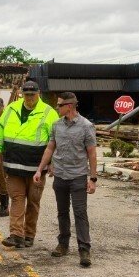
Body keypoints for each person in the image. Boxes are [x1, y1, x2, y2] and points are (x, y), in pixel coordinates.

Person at [34, 92, 98, 267]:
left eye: (60, 105)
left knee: (80, 213)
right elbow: (50, 148)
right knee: (62, 212)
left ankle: (84, 249)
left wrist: (92, 178)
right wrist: (40, 169)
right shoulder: (56, 126)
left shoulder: (86, 126)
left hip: (78, 177)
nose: (57, 108)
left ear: (69, 106)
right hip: (60, 176)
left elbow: (92, 153)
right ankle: (63, 244)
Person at [0, 81, 59, 248]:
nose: (29, 97)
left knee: (33, 202)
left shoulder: (49, 113)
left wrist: (52, 162)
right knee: (16, 199)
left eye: (32, 94)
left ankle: (29, 234)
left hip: (36, 168)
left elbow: (56, 140)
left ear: (38, 94)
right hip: (13, 165)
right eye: (26, 94)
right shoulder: (11, 108)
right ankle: (16, 235)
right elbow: (0, 129)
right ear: (22, 93)